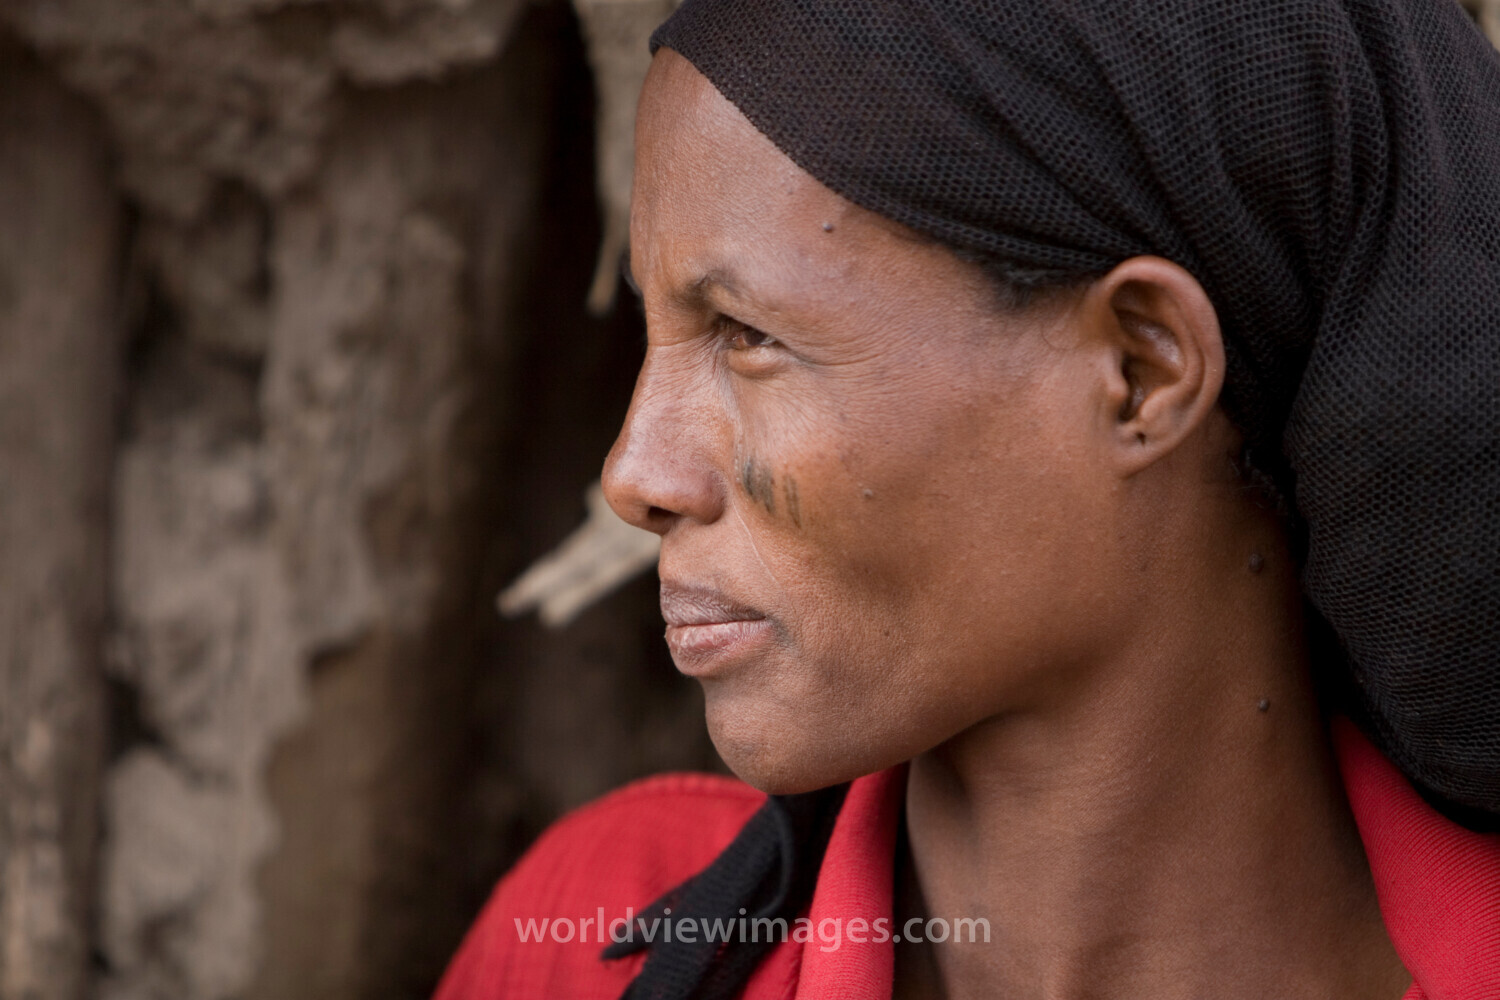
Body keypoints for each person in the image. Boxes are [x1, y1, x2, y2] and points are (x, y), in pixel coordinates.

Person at [434, 1, 1500, 997]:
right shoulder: (600, 936)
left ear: (1139, 369)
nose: (635, 473)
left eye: (748, 336)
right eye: (655, 332)